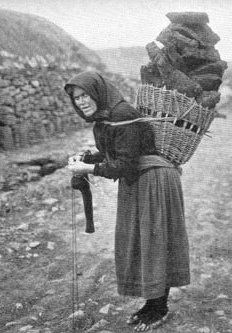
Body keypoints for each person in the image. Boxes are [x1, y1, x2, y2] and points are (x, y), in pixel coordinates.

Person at [64, 71, 190, 331]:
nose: (82, 102)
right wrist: (87, 159)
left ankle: (159, 307)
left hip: (154, 180)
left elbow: (125, 164)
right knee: (143, 242)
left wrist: (87, 171)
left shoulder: (122, 115)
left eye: (85, 94)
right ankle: (152, 303)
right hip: (139, 181)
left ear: (98, 91)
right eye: (76, 98)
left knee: (154, 242)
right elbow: (116, 151)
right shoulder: (105, 118)